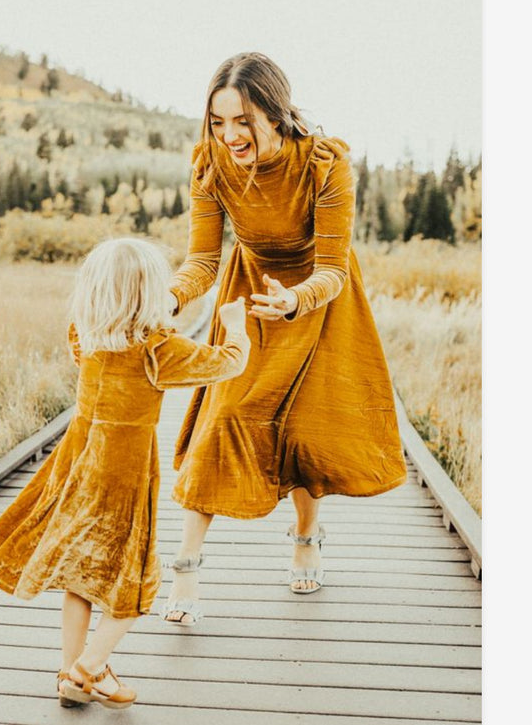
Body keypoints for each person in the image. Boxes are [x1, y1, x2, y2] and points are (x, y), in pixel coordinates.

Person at [160, 52, 408, 626]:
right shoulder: (209, 166)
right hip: (249, 295)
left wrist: (295, 299)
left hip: (319, 300)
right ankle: (188, 569)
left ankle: (306, 534)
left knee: (305, 428)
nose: (228, 135)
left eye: (241, 121)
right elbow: (201, 261)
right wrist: (170, 299)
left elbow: (333, 267)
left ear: (273, 112)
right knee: (223, 421)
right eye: (218, 122)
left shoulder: (324, 165)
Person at [0, 237, 250, 708]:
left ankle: (70, 672)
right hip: (123, 477)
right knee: (135, 586)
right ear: (151, 294)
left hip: (77, 468)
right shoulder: (159, 351)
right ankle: (87, 670)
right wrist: (236, 327)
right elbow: (229, 363)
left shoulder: (84, 334)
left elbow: (111, 333)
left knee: (82, 576)